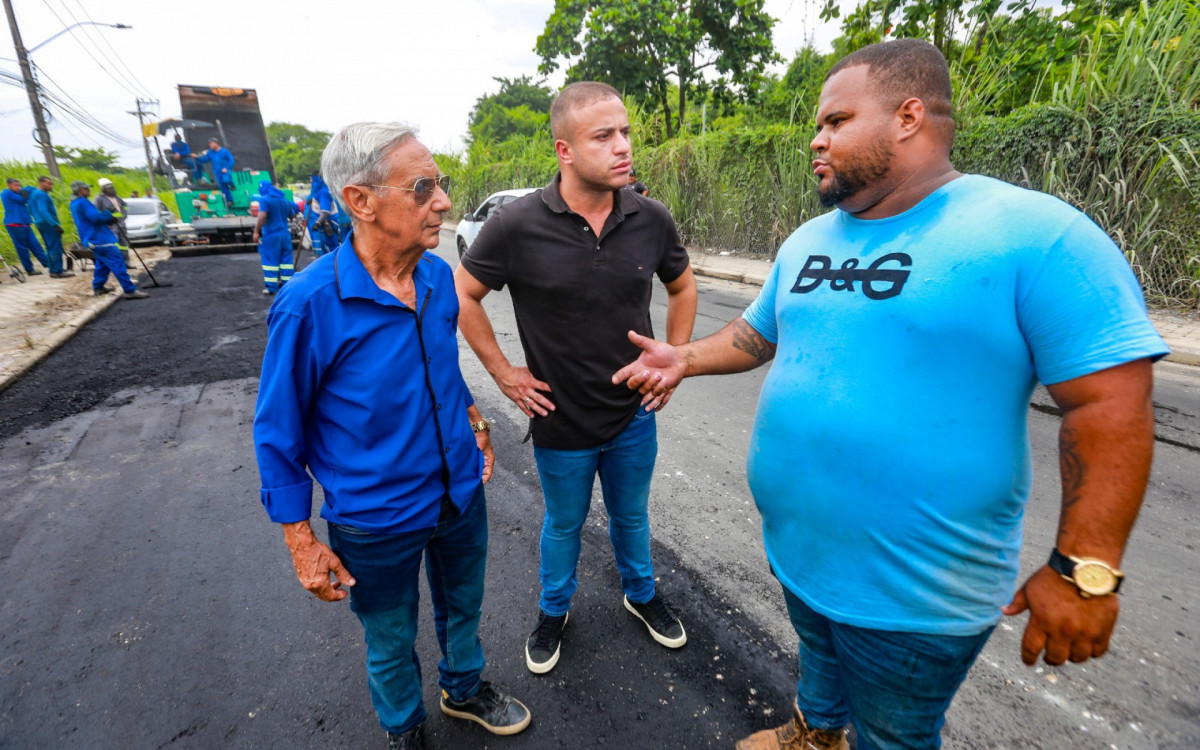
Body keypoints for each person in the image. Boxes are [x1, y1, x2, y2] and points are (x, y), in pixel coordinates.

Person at [612, 39, 1168, 750]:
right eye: (818, 124)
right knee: (818, 667)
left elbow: (1111, 404)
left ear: (909, 117)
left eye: (837, 121)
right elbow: (760, 334)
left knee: (894, 734)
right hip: (800, 552)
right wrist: (683, 358)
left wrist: (1083, 573)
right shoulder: (810, 240)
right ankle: (814, 735)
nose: (816, 140)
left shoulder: (1035, 235)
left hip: (913, 595)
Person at [253, 121, 531, 750]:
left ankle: (464, 688)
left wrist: (475, 422)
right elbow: (277, 430)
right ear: (361, 201)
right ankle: (404, 726)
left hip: (459, 493)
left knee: (464, 607)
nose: (444, 202)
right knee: (389, 634)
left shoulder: (435, 278)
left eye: (440, 184)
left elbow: (441, 371)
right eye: (422, 188)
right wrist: (300, 538)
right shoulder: (308, 305)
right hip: (375, 518)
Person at [454, 81, 698, 675]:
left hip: (634, 412)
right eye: (604, 136)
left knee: (632, 516)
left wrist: (675, 357)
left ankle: (641, 594)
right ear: (564, 150)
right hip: (560, 418)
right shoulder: (516, 224)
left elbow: (683, 285)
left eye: (626, 132)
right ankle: (553, 610)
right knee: (563, 524)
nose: (623, 146)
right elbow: (462, 294)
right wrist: (504, 373)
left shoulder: (650, 217)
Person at [68, 180, 148, 300]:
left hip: (90, 238)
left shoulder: (74, 203)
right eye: (86, 188)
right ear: (79, 190)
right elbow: (95, 217)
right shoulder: (83, 202)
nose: (88, 190)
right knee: (117, 263)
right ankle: (129, 290)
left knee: (102, 264)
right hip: (99, 238)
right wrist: (108, 215)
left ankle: (98, 287)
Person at [252, 179, 297, 294]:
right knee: (286, 261)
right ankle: (288, 286)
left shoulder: (264, 200)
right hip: (285, 235)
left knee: (270, 261)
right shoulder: (284, 200)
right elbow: (293, 213)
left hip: (271, 235)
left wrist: (256, 231)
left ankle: (272, 287)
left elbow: (262, 216)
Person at [28, 176, 74, 278]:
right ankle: (57, 271)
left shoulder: (34, 194)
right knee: (55, 247)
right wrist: (55, 224)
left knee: (50, 246)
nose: (51, 186)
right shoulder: (42, 194)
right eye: (48, 184)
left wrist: (36, 218)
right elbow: (43, 211)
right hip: (47, 223)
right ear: (41, 183)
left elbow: (30, 208)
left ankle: (53, 269)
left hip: (39, 222)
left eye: (51, 184)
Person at [2, 177, 50, 275]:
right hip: (14, 224)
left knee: (35, 245)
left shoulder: (17, 192)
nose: (18, 187)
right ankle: (29, 269)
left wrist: (25, 191)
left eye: (19, 185)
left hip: (25, 223)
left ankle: (48, 264)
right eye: (15, 185)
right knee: (22, 248)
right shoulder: (6, 193)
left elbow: (30, 189)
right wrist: (25, 193)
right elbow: (23, 200)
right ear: (9, 185)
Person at [195, 137, 235, 207]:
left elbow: (231, 160)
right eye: (209, 144)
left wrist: (227, 168)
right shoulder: (210, 152)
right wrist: (197, 157)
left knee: (226, 180)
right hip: (217, 172)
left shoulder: (224, 151)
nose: (210, 145)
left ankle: (232, 185)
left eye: (211, 143)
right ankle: (230, 201)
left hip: (225, 170)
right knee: (223, 186)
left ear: (216, 143)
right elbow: (205, 160)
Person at [94, 178, 130, 249]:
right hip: (111, 226)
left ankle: (125, 256)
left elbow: (125, 206)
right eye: (109, 188)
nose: (112, 189)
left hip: (121, 224)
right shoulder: (99, 199)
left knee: (125, 245)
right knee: (114, 244)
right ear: (104, 189)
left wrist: (124, 216)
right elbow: (96, 213)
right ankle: (117, 255)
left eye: (112, 187)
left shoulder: (117, 197)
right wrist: (106, 222)